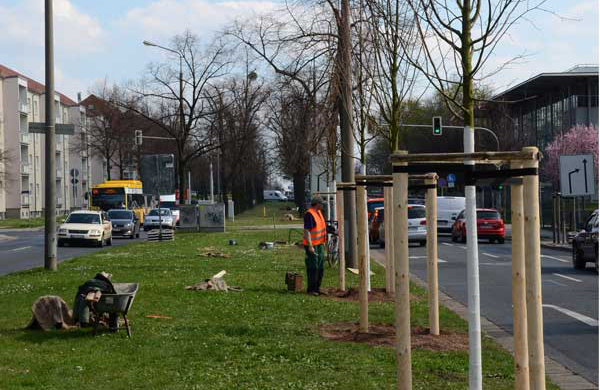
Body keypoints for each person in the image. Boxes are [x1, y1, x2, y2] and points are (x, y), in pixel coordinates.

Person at [303, 197, 326, 295]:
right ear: (317, 204)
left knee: (320, 267)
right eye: (322, 204)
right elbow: (307, 231)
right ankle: (311, 289)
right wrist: (310, 246)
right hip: (312, 245)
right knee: (313, 267)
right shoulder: (310, 214)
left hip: (320, 244)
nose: (323, 205)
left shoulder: (319, 213)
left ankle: (317, 288)